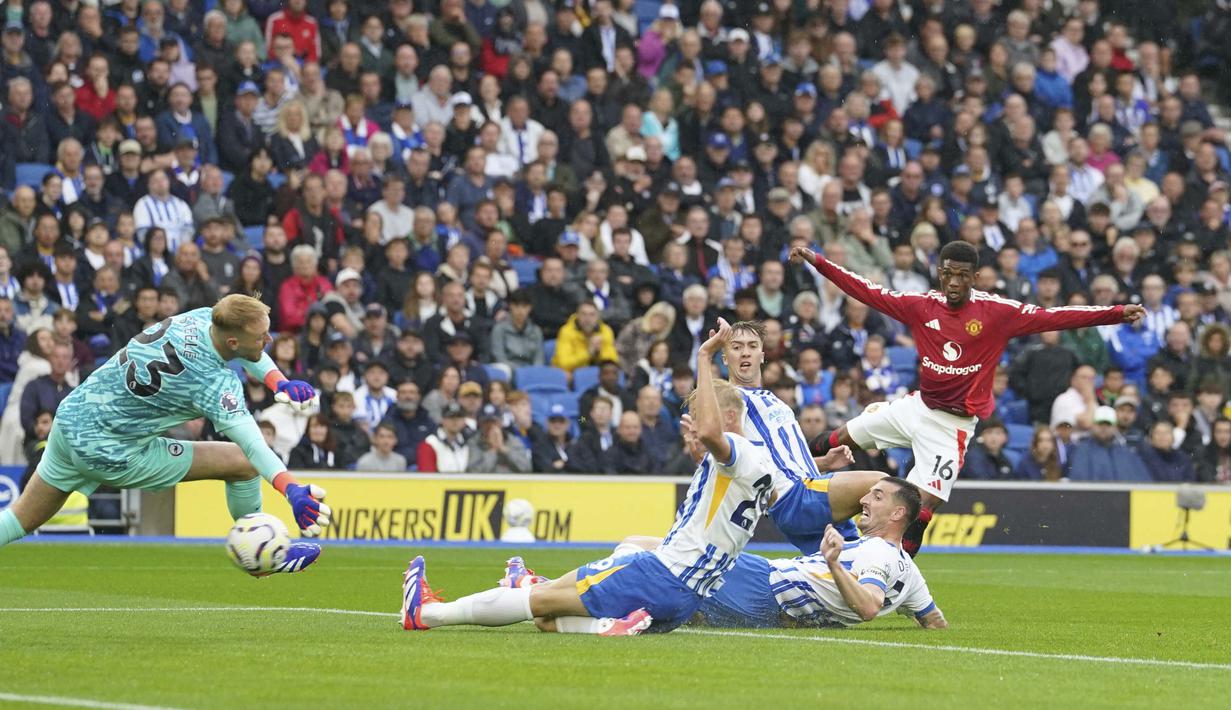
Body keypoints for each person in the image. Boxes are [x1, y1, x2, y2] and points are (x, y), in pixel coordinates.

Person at [400, 319, 774, 635]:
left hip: (659, 576)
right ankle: (598, 622)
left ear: (726, 418)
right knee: (553, 615)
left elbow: (713, 433)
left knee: (536, 604)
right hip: (685, 600)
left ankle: (429, 614)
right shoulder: (759, 466)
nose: (693, 425)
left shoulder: (733, 448)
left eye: (700, 414)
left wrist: (705, 356)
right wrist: (700, 452)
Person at [792, 241, 1145, 555]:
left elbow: (1054, 317)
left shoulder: (997, 313)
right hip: (915, 407)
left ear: (975, 277)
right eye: (948, 274)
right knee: (835, 439)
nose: (955, 283)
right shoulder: (921, 306)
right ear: (939, 274)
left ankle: (894, 578)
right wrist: (818, 262)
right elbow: (867, 291)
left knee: (919, 510)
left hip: (951, 426)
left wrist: (1114, 313)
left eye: (963, 275)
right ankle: (787, 479)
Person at [0, 295, 329, 572]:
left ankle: (262, 546)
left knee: (20, 520)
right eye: (262, 337)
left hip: (73, 418)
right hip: (110, 452)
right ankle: (265, 553)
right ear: (233, 341)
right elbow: (253, 444)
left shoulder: (201, 318)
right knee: (242, 462)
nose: (268, 341)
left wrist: (278, 382)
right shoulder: (214, 384)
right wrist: (290, 489)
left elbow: (248, 351)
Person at [1067, 405, 1151, 482]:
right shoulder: (1081, 451)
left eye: (1108, 424)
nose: (1104, 428)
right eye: (1100, 424)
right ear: (1093, 425)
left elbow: (1141, 482)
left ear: (1115, 427)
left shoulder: (1126, 453)